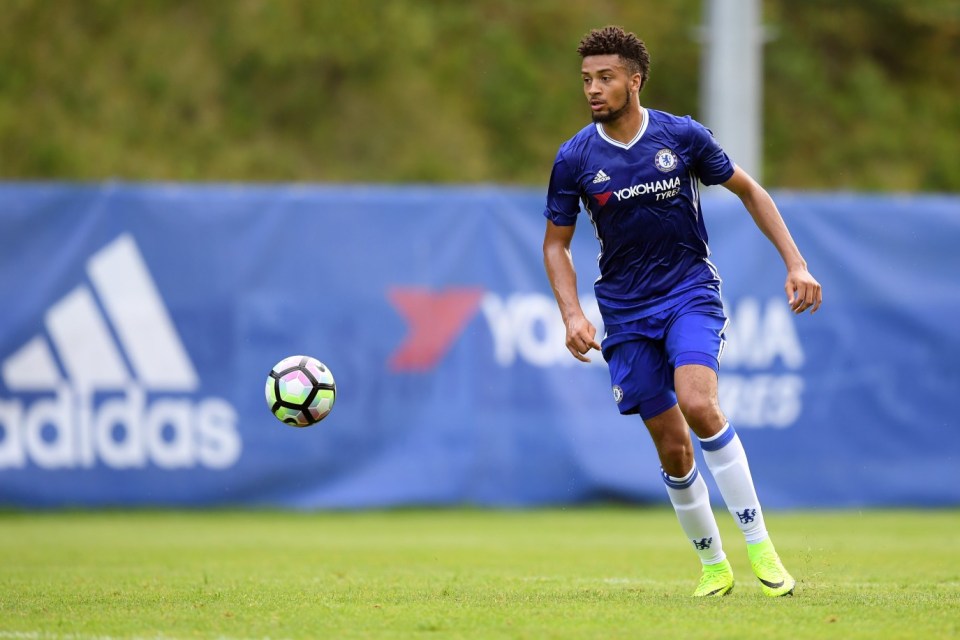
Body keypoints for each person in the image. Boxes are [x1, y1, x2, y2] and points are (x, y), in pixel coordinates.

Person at [542, 25, 822, 598]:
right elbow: (556, 244)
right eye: (587, 80)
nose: (593, 89)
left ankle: (760, 546)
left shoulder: (680, 136)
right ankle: (714, 566)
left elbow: (749, 190)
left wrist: (795, 263)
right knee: (671, 446)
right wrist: (572, 313)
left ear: (635, 80)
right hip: (624, 311)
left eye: (605, 78)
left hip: (688, 292)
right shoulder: (574, 158)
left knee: (698, 402)